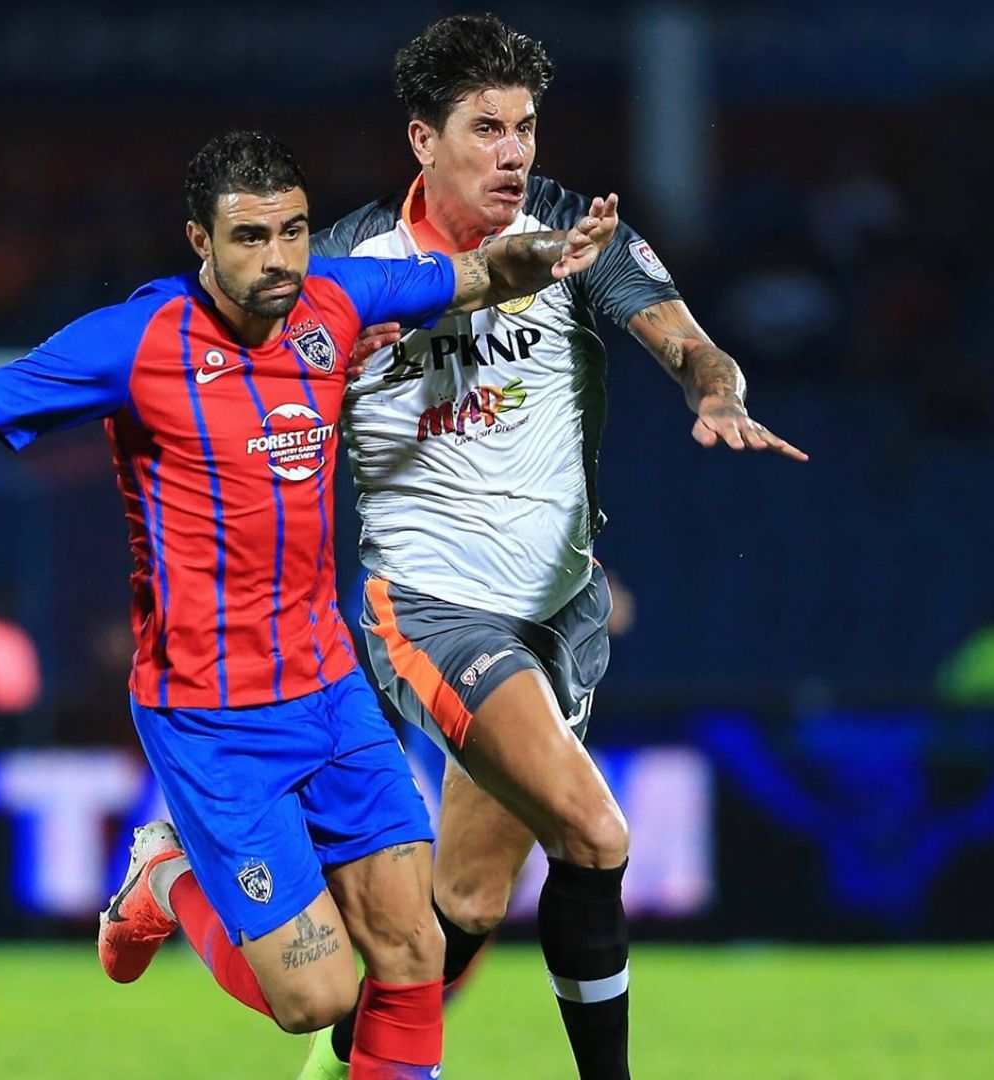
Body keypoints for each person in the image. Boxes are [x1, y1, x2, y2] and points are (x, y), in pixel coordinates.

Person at [0, 128, 619, 1080]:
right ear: (200, 240)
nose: (278, 258)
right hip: (211, 716)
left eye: (293, 231)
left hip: (331, 691)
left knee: (414, 954)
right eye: (250, 237)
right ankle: (167, 874)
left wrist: (550, 252)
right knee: (316, 1000)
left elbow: (478, 275)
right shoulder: (137, 342)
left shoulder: (335, 299)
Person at [283, 15, 804, 1080]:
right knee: (596, 833)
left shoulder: (573, 229)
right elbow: (258, 403)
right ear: (424, 140)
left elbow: (693, 347)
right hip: (429, 606)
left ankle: (337, 1072)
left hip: (557, 613)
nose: (514, 152)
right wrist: (330, 365)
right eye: (487, 128)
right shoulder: (345, 263)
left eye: (525, 127)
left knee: (469, 901)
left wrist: (717, 394)